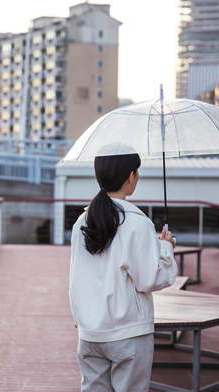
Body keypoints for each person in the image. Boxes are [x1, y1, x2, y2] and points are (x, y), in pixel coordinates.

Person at [69, 144, 178, 392]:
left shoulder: (82, 222)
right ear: (131, 176)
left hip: (90, 332)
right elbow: (150, 279)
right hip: (128, 333)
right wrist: (165, 248)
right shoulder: (137, 223)